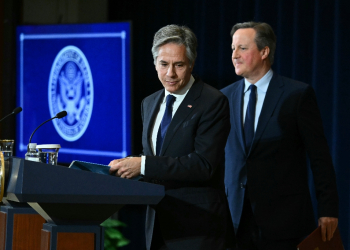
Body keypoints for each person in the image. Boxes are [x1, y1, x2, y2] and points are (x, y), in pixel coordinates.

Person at [109, 24, 231, 250]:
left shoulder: (213, 102)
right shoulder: (149, 102)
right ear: (155, 63)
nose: (170, 74)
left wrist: (143, 164)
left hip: (197, 228)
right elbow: (157, 157)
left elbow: (203, 165)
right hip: (156, 226)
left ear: (192, 64)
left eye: (179, 65)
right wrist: (126, 168)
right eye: (163, 64)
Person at [221, 21, 339, 250]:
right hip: (235, 222)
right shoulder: (223, 98)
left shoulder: (297, 95)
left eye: (242, 48)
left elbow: (320, 158)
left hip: (284, 223)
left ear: (264, 51)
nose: (234, 55)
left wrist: (328, 210)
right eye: (233, 49)